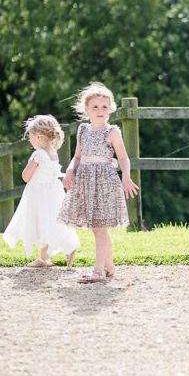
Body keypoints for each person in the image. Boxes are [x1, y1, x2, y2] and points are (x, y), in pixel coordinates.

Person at [59, 82, 139, 283]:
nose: (100, 111)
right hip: (86, 181)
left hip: (104, 182)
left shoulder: (112, 132)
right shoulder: (83, 130)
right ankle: (109, 266)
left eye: (104, 107)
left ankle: (98, 271)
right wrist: (70, 172)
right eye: (95, 107)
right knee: (97, 228)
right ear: (86, 109)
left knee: (100, 227)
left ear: (110, 109)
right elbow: (77, 157)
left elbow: (123, 158)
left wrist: (126, 175)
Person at [2, 115, 80, 267]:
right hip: (52, 193)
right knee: (48, 223)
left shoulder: (38, 154)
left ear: (39, 136)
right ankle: (45, 257)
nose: (30, 141)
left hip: (39, 194)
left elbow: (25, 176)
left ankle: (64, 249)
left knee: (40, 223)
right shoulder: (53, 153)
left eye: (30, 137)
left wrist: (30, 165)